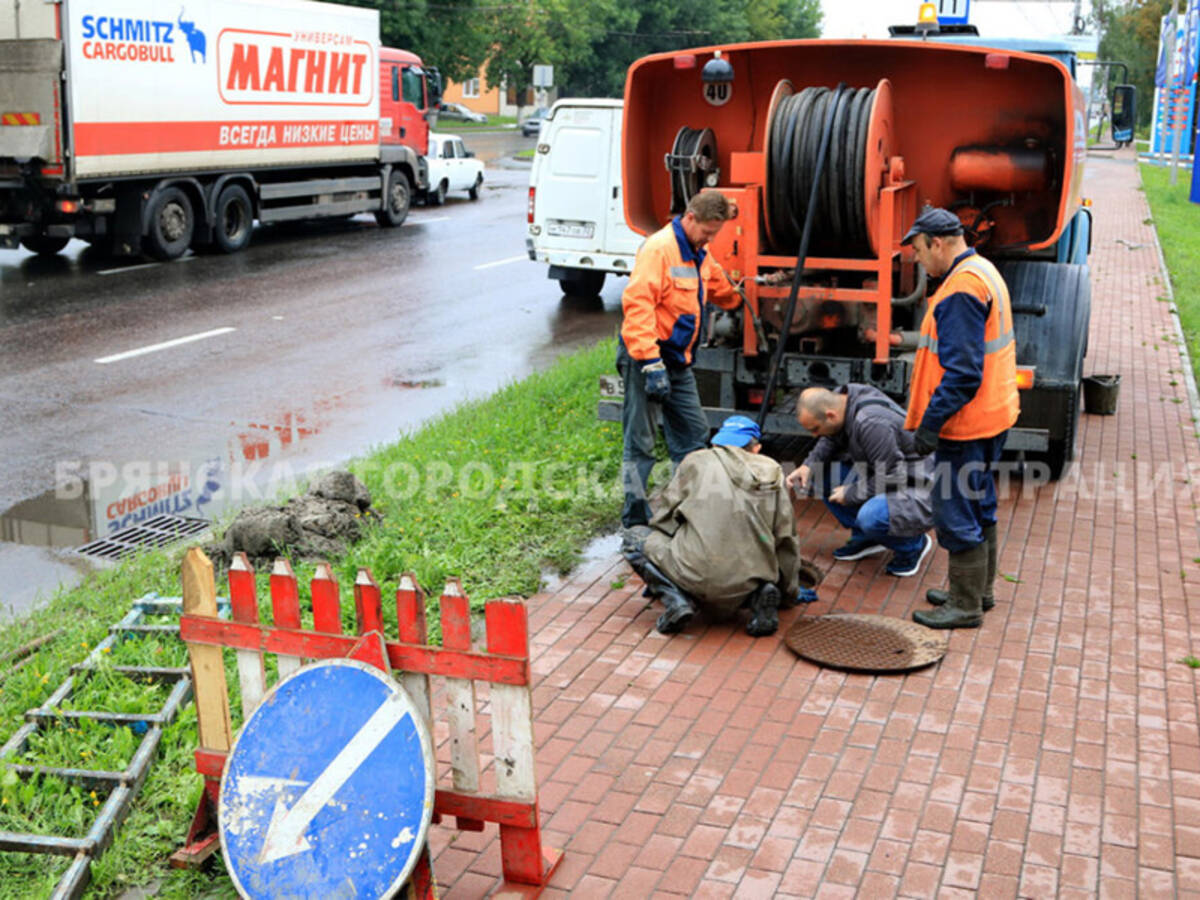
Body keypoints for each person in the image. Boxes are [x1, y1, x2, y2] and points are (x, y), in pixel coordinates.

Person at [900, 207, 1019, 629]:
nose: (915, 259)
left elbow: (963, 372)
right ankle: (978, 591)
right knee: (980, 503)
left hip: (966, 424)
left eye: (917, 249)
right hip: (993, 415)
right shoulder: (982, 270)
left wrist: (930, 425)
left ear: (937, 242)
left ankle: (965, 606)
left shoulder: (960, 291)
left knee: (955, 510)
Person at [617, 191, 741, 528]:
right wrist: (649, 362)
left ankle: (686, 509)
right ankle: (635, 518)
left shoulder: (698, 252)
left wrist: (741, 296)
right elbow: (638, 305)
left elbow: (717, 285)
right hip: (646, 357)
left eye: (715, 233)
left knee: (693, 434)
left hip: (677, 360)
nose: (710, 238)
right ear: (690, 217)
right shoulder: (659, 249)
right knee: (641, 441)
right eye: (707, 231)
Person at [621, 416, 803, 637]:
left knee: (635, 537)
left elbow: (665, 519)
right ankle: (759, 595)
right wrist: (789, 592)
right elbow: (785, 537)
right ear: (756, 449)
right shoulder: (773, 471)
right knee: (758, 556)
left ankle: (677, 599)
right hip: (752, 576)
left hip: (695, 576)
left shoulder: (695, 462)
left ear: (716, 443)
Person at [787, 385, 934, 577]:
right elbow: (831, 437)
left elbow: (892, 475)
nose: (815, 435)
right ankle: (869, 538)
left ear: (830, 415)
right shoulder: (843, 398)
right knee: (817, 474)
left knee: (871, 517)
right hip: (889, 473)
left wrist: (851, 493)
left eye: (815, 429)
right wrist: (808, 465)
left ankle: (913, 545)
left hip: (920, 487)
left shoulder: (871, 422)